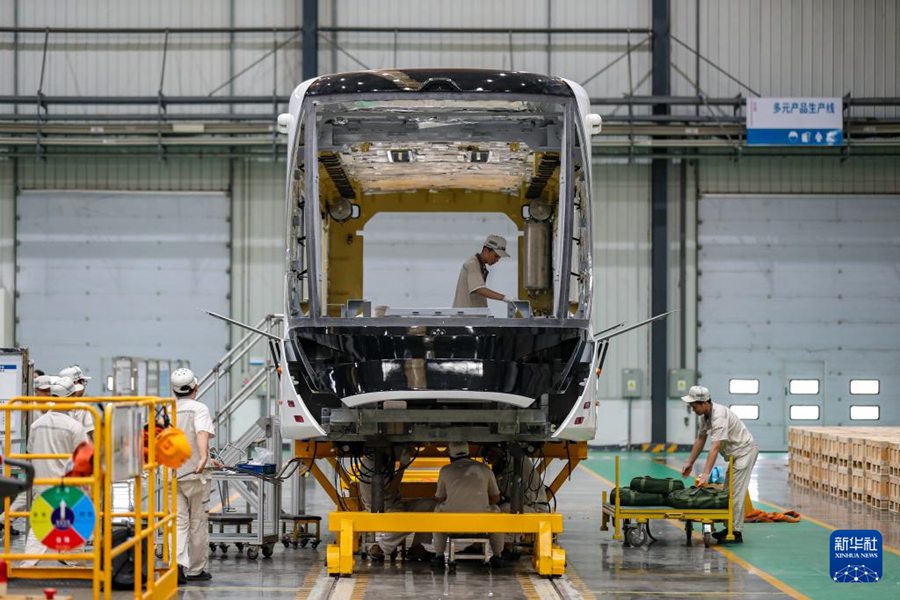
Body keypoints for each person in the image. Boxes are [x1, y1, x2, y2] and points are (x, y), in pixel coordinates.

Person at [20, 378, 89, 567]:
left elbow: (29, 453)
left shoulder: (37, 425)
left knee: (41, 525)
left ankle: (29, 564)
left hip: (41, 486)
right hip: (65, 488)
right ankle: (72, 562)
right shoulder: (74, 427)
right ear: (69, 398)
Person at [680, 385, 759, 544]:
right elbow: (700, 439)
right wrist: (690, 462)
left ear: (705, 403)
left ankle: (736, 533)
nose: (692, 408)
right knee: (728, 491)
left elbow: (715, 447)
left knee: (735, 492)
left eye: (694, 405)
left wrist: (706, 475)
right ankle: (730, 527)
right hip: (735, 455)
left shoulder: (719, 417)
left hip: (744, 452)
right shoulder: (706, 417)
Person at [171, 368, 216, 584]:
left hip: (172, 474)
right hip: (196, 474)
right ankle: (196, 570)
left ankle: (178, 567)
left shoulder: (167, 409)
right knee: (197, 521)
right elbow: (201, 433)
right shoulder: (199, 408)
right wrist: (203, 457)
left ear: (174, 390)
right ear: (195, 388)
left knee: (179, 522)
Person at [432, 442, 506, 569]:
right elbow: (496, 498)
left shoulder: (445, 470)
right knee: (497, 511)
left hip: (451, 525)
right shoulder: (485, 469)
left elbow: (439, 499)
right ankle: (498, 556)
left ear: (450, 456)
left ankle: (438, 556)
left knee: (437, 511)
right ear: (469, 453)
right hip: (481, 525)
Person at [358, 446, 436, 562]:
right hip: (381, 508)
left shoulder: (383, 458)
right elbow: (391, 489)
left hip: (393, 504)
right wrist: (403, 467)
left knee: (429, 505)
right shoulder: (373, 465)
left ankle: (417, 546)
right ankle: (382, 547)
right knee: (410, 520)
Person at [452, 234, 515, 309]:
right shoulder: (472, 264)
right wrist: (505, 298)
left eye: (499, 257)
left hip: (473, 317)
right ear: (485, 251)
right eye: (496, 256)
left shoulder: (480, 265)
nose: (497, 260)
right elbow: (479, 289)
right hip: (465, 318)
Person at [58, 366, 95, 439]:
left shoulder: (53, 403)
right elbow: (89, 436)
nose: (84, 385)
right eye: (82, 381)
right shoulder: (82, 407)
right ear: (75, 383)